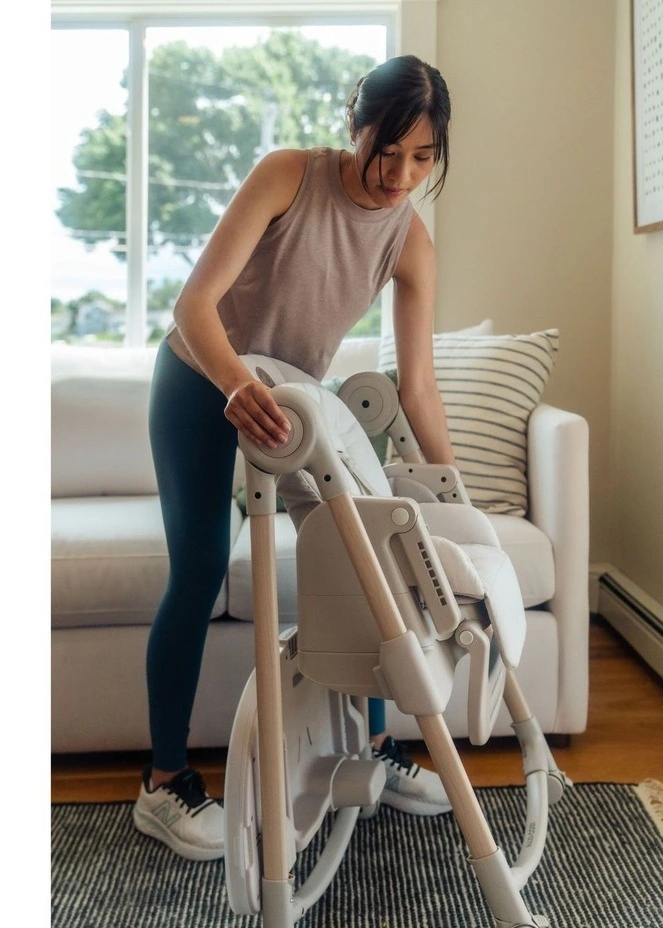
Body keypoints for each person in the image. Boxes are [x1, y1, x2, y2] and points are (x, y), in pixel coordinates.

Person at [133, 54, 459, 862]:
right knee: (199, 568)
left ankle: (371, 749)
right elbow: (195, 303)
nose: (401, 176)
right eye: (388, 151)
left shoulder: (411, 242)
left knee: (361, 564)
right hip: (201, 380)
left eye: (423, 158)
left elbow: (418, 385)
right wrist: (235, 384)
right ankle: (164, 783)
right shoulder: (289, 175)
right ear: (356, 127)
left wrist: (455, 491)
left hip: (292, 405)